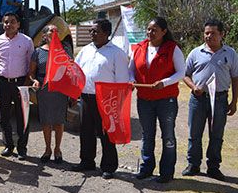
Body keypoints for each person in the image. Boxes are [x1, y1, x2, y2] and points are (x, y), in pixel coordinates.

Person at [72, 19, 130, 179]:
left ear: (106, 33)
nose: (92, 34)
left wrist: (118, 103)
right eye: (91, 31)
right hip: (86, 97)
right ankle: (87, 161)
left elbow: (122, 80)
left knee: (106, 133)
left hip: (107, 99)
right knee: (86, 131)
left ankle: (109, 166)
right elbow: (76, 71)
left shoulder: (117, 53)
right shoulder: (85, 50)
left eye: (95, 31)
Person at [130, 17, 185, 183]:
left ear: (164, 32)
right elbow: (131, 69)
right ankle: (146, 168)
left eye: (154, 30)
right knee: (147, 135)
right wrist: (131, 80)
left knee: (167, 135)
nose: (150, 32)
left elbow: (181, 72)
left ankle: (166, 172)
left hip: (166, 100)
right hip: (144, 100)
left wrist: (165, 82)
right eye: (148, 29)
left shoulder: (172, 49)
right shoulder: (139, 48)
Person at [182, 19, 238, 181]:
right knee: (194, 134)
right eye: (206, 33)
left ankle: (213, 167)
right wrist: (193, 87)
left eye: (213, 33)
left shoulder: (230, 54)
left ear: (222, 34)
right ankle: (193, 164)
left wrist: (234, 101)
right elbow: (185, 75)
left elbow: (235, 78)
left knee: (217, 134)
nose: (209, 36)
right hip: (198, 99)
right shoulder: (195, 53)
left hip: (220, 99)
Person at [0, 12, 35, 160]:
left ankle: (22, 148)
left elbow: (31, 65)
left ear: (18, 24)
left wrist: (28, 82)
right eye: (6, 22)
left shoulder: (27, 41)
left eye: (12, 22)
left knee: (22, 117)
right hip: (3, 83)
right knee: (4, 117)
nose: (9, 25)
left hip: (21, 83)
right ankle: (8, 145)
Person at [28, 24, 70, 164]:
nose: (55, 33)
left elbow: (70, 71)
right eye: (52, 31)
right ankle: (47, 149)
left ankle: (58, 149)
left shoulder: (64, 51)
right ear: (45, 35)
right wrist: (34, 81)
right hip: (44, 90)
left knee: (59, 121)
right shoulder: (37, 52)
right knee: (46, 121)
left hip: (60, 89)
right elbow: (31, 73)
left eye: (57, 31)